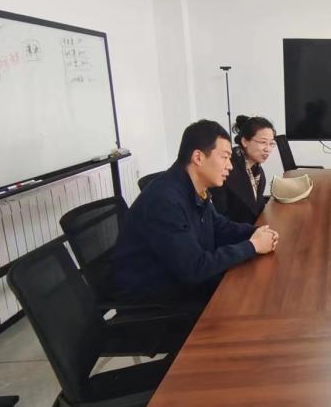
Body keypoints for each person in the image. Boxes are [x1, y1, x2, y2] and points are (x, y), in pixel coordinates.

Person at [112, 119, 279, 305]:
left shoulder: (192, 186)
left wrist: (255, 232)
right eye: (224, 157)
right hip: (155, 300)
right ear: (198, 157)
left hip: (181, 282)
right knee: (254, 298)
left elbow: (218, 226)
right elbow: (194, 268)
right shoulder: (164, 200)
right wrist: (253, 246)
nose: (230, 166)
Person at [211, 115, 275, 225]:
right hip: (234, 232)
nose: (267, 149)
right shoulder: (226, 168)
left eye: (271, 143)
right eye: (263, 142)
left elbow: (256, 206)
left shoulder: (256, 168)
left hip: (253, 228)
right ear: (245, 141)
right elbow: (220, 218)